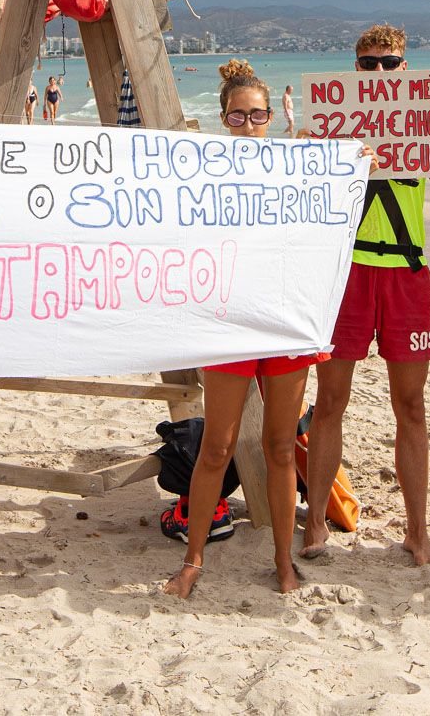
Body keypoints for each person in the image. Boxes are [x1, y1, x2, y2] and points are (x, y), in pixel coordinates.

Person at [300, 24, 430, 567]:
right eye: (369, 64)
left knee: (412, 407)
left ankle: (417, 531)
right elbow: (308, 200)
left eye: (390, 63)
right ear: (355, 69)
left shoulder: (427, 126)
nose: (380, 73)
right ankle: (314, 526)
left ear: (406, 68)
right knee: (331, 402)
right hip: (348, 272)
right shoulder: (331, 127)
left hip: (406, 275)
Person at [164, 60, 321, 600]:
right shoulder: (204, 168)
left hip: (282, 319)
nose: (249, 125)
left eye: (258, 116)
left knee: (280, 446)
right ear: (224, 119)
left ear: (271, 117)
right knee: (217, 446)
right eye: (238, 116)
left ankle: (282, 562)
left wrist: (342, 166)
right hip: (227, 317)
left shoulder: (296, 164)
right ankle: (193, 560)